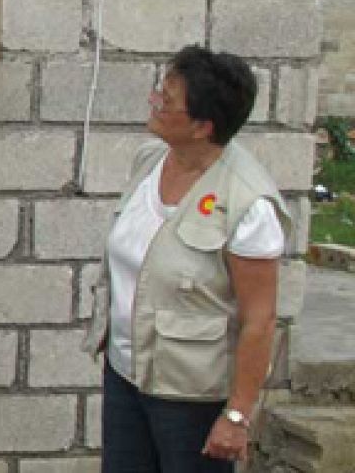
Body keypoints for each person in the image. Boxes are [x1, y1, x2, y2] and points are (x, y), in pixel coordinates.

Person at [84, 46, 291, 471]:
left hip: (193, 397)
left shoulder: (247, 204)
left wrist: (236, 415)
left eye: (168, 99)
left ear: (202, 126)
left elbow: (260, 320)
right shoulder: (149, 162)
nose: (154, 101)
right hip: (126, 374)